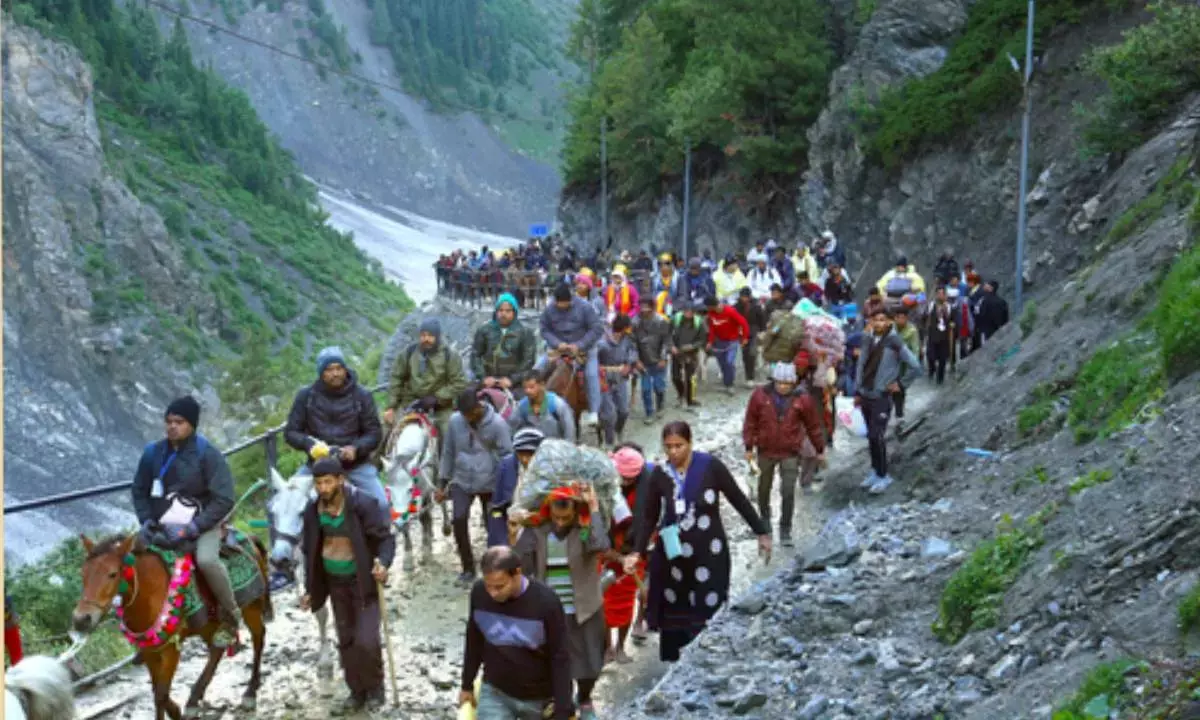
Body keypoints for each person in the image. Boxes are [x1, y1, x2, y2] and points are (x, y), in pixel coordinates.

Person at [626, 422, 771, 662]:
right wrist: (637, 552)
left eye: (679, 446)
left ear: (690, 443)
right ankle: (678, 664)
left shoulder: (710, 467)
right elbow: (650, 517)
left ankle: (707, 656)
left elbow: (737, 498)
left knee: (708, 600)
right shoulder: (660, 474)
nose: (673, 452)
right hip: (674, 556)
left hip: (709, 551)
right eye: (668, 447)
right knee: (676, 604)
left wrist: (761, 532)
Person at [132, 396, 239, 648]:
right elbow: (139, 490)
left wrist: (194, 527)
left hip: (202, 524)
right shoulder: (152, 453)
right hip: (160, 525)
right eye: (168, 421)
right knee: (130, 561)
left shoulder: (207, 454)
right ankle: (141, 627)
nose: (172, 427)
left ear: (192, 424)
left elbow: (224, 499)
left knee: (207, 561)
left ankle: (232, 615)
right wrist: (146, 519)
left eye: (179, 422)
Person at [299, 457, 394, 713]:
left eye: (328, 482)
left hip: (362, 581)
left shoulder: (363, 504)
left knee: (366, 640)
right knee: (346, 639)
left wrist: (383, 563)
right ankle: (357, 691)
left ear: (340, 480)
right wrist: (309, 589)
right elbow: (310, 552)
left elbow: (384, 539)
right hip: (334, 583)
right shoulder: (313, 510)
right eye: (318, 483)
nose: (323, 488)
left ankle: (376, 687)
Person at [514, 483, 610, 720]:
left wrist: (594, 507)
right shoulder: (538, 531)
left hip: (585, 609)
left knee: (590, 663)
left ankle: (585, 697)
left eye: (566, 517)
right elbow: (520, 562)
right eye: (556, 516)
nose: (560, 521)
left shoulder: (584, 530)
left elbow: (601, 546)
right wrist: (523, 525)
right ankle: (563, 703)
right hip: (551, 612)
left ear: (576, 511)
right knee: (558, 664)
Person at [459, 546, 573, 720]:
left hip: (538, 698)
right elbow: (474, 640)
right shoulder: (479, 593)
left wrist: (563, 708)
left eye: (499, 586)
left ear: (517, 573)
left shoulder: (546, 602)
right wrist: (466, 685)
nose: (492, 593)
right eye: (488, 586)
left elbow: (560, 657)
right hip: (496, 691)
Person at [285, 346, 387, 509]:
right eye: (329, 369)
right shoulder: (306, 396)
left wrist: (356, 448)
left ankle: (382, 535)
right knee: (287, 501)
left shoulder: (362, 395)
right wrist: (309, 445)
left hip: (355, 466)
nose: (335, 373)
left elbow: (374, 432)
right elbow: (291, 432)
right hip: (317, 466)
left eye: (339, 368)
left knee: (380, 505)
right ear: (321, 372)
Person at [742, 363, 825, 547]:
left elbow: (813, 426)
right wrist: (749, 447)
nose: (783, 387)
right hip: (765, 451)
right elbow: (750, 422)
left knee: (788, 492)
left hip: (790, 452)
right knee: (763, 489)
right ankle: (765, 519)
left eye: (787, 383)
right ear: (774, 381)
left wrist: (820, 450)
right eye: (779, 383)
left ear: (793, 383)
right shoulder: (759, 396)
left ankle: (785, 528)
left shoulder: (803, 399)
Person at [439, 388, 515, 585]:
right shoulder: (456, 422)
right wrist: (443, 481)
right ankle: (467, 568)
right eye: (462, 414)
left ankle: (495, 566)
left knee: (493, 526)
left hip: (489, 481)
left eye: (468, 414)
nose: (465, 418)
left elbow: (508, 455)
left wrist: (506, 487)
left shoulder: (498, 424)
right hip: (462, 480)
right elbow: (448, 451)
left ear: (477, 408)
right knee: (458, 519)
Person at [855, 309, 923, 494]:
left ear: (889, 322)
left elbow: (915, 366)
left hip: (881, 396)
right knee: (870, 436)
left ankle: (884, 475)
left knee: (877, 435)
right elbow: (860, 365)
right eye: (875, 320)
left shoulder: (894, 342)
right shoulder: (868, 339)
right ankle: (875, 471)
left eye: (882, 320)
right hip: (866, 394)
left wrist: (900, 384)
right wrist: (857, 390)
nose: (878, 323)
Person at [384, 318, 468, 447]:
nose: (426, 339)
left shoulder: (449, 355)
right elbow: (397, 378)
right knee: (387, 429)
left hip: (440, 407)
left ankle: (444, 465)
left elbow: (459, 383)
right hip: (410, 402)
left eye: (430, 336)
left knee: (447, 434)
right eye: (423, 335)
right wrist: (391, 406)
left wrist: (437, 398)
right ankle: (375, 464)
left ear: (437, 336)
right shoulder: (409, 352)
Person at [604, 445, 653, 659]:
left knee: (626, 603)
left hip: (635, 553)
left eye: (629, 479)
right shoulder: (603, 486)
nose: (624, 483)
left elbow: (650, 521)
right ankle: (607, 647)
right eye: (621, 478)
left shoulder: (649, 488)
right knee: (603, 602)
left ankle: (621, 647)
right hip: (608, 552)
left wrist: (634, 552)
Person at [538, 284, 605, 428]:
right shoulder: (549, 309)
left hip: (584, 350)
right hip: (559, 350)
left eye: (565, 304)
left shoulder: (585, 307)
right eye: (559, 304)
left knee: (591, 375)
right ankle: (531, 402)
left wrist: (580, 345)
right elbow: (544, 329)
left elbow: (597, 329)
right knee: (538, 367)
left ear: (571, 300)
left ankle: (594, 412)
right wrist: (557, 343)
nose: (562, 306)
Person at [471, 293, 538, 393]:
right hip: (488, 381)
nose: (503, 314)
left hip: (514, 384)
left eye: (508, 311)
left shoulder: (525, 333)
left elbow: (528, 361)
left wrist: (512, 380)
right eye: (500, 310)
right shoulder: (484, 330)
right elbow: (475, 355)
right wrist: (483, 377)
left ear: (514, 312)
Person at [491, 428, 546, 547]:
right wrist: (500, 540)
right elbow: (496, 509)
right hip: (510, 524)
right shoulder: (505, 466)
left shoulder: (549, 469)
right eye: (521, 454)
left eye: (530, 454)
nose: (525, 459)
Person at [596, 314, 638, 448]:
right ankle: (609, 441)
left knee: (624, 411)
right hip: (604, 380)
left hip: (621, 379)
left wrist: (629, 364)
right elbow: (592, 362)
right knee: (609, 414)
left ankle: (618, 431)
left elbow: (633, 351)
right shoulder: (601, 342)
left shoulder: (627, 339)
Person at [632, 297, 672, 423]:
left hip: (658, 359)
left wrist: (663, 358)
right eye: (642, 307)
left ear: (653, 308)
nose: (644, 310)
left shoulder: (661, 321)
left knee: (659, 387)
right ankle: (649, 413)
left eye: (647, 307)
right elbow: (632, 343)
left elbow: (666, 341)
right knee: (645, 389)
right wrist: (636, 360)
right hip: (643, 361)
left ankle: (660, 405)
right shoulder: (635, 322)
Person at [510, 371, 576, 443]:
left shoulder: (557, 404)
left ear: (542, 385)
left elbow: (570, 432)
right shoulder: (522, 407)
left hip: (557, 449)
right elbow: (512, 429)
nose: (527, 391)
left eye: (531, 387)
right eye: (525, 388)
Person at [704, 295, 750, 395]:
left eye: (708, 307)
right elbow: (712, 328)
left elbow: (744, 323)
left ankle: (730, 385)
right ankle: (727, 380)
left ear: (712, 306)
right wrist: (710, 342)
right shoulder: (711, 314)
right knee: (722, 363)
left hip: (732, 341)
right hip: (719, 341)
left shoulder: (730, 311)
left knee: (729, 362)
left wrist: (745, 338)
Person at [891, 306, 921, 434]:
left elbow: (915, 350)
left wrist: (912, 360)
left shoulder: (912, 331)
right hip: (889, 365)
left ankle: (899, 417)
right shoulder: (890, 329)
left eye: (904, 318)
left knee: (899, 391)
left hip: (903, 366)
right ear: (895, 318)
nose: (901, 320)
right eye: (899, 318)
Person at [670, 302, 705, 409]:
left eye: (690, 312)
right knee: (675, 376)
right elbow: (667, 335)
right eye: (686, 311)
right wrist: (671, 346)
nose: (688, 314)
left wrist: (692, 346)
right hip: (677, 351)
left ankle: (690, 400)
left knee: (690, 378)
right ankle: (681, 395)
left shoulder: (699, 322)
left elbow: (702, 339)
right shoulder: (675, 319)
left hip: (691, 353)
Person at [924, 286, 957, 385]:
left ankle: (940, 378)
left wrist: (953, 324)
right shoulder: (931, 306)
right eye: (939, 293)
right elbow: (925, 318)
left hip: (945, 337)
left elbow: (954, 319)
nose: (940, 296)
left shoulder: (950, 307)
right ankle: (931, 370)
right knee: (931, 356)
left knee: (943, 358)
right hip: (933, 335)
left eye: (943, 294)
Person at [734, 288, 767, 387]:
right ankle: (748, 375)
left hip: (754, 331)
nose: (744, 299)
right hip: (742, 332)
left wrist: (762, 331)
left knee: (751, 353)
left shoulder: (756, 306)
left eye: (746, 297)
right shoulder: (736, 307)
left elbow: (762, 320)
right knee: (745, 355)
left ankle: (750, 377)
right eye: (742, 297)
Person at [760, 301, 806, 367]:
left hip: (775, 353)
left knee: (773, 371)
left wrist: (765, 347)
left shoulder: (779, 317)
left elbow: (772, 333)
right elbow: (799, 339)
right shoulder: (798, 320)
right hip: (789, 355)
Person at [976, 279, 1011, 344]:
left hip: (985, 330)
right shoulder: (1002, 301)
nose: (984, 286)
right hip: (999, 331)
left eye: (987, 285)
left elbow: (980, 314)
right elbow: (1006, 318)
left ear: (991, 288)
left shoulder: (984, 300)